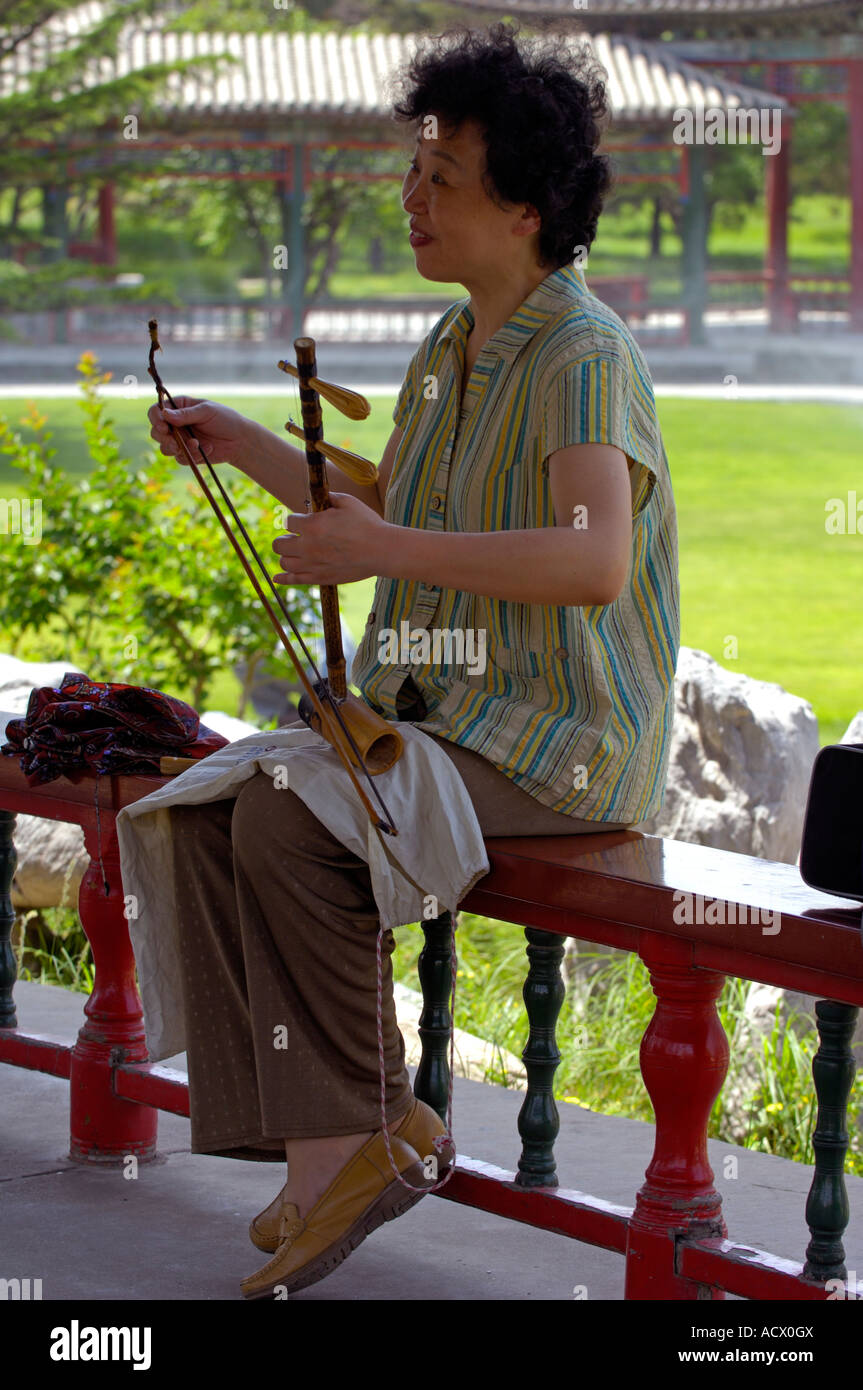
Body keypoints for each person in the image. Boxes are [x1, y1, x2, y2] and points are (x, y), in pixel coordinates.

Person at [146, 21, 680, 1299]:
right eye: (414, 172)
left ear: (527, 207)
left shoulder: (579, 353)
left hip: (561, 740)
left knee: (285, 810)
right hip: (457, 723)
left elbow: (591, 558)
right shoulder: (448, 352)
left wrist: (381, 539)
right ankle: (336, 1143)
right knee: (215, 807)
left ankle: (368, 1129)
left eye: (440, 177)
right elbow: (389, 502)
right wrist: (234, 438)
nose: (410, 197)